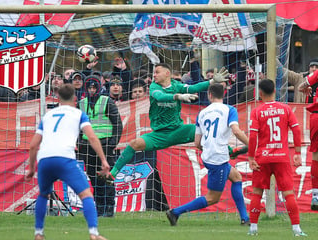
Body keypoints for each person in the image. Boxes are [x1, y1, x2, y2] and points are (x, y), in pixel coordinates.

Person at [100, 63, 229, 182]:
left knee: (207, 131)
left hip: (178, 131)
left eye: (157, 72)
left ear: (167, 73)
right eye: (153, 73)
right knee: (134, 144)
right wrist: (177, 96)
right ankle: (113, 174)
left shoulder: (176, 85)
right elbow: (160, 96)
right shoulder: (154, 86)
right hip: (159, 135)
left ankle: (231, 151)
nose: (154, 75)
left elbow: (194, 87)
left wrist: (212, 81)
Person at [25, 84, 110, 240]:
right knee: (86, 195)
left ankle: (38, 233)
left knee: (43, 195)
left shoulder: (48, 116)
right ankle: (94, 233)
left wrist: (31, 168)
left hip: (44, 159)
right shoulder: (79, 114)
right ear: (75, 99)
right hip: (65, 158)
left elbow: (32, 145)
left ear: (58, 98)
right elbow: (92, 137)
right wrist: (103, 160)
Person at [165, 83, 250, 226]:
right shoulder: (229, 109)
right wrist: (252, 144)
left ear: (210, 95)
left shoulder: (202, 113)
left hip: (210, 155)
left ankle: (245, 218)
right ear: (224, 94)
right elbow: (235, 131)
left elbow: (197, 142)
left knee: (236, 177)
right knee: (212, 198)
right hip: (218, 158)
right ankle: (175, 212)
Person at [247, 79, 306, 236]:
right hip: (282, 158)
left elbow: (253, 136)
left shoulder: (257, 111)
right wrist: (298, 153)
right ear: (275, 91)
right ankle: (296, 229)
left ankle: (253, 228)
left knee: (257, 192)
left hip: (263, 158)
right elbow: (297, 130)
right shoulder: (286, 109)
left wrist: (251, 157)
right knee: (288, 193)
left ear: (260, 93)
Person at [77, 75, 122, 217]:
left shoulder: (106, 101)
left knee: (107, 178)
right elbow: (76, 126)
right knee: (94, 179)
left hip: (105, 146)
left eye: (94, 87)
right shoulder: (81, 103)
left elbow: (117, 123)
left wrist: (113, 142)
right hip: (87, 147)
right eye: (89, 87)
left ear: (98, 88)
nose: (91, 90)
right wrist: (80, 143)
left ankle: (109, 210)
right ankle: (99, 208)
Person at [298, 69, 318, 211]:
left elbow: (301, 86)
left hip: (316, 117)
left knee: (316, 156)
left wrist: (307, 86)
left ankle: (316, 195)